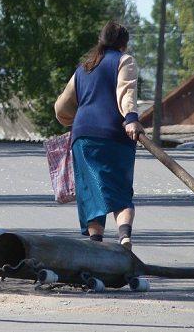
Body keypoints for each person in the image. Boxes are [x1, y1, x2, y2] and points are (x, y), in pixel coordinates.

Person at [54, 22, 144, 250]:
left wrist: (75, 120)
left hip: (82, 138)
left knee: (91, 191)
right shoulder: (124, 60)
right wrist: (131, 117)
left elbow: (61, 107)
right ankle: (124, 238)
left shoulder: (83, 68)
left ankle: (96, 247)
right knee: (119, 190)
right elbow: (126, 90)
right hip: (113, 135)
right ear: (124, 44)